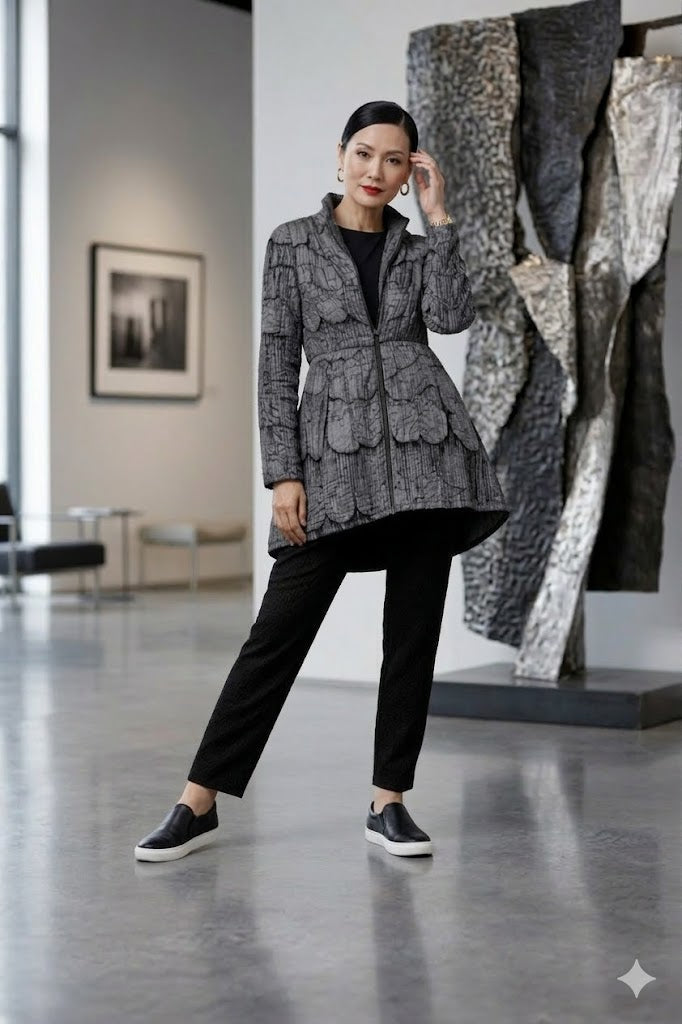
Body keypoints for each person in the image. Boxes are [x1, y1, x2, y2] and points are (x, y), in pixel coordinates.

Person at [134, 100, 510, 863]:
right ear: (341, 155)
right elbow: (276, 364)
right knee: (276, 635)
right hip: (332, 458)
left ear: (409, 174)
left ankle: (388, 801)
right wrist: (283, 473)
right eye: (365, 153)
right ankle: (197, 801)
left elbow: (451, 316)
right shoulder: (292, 244)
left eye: (395, 160)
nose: (376, 170)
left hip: (428, 459)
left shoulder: (418, 247)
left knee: (412, 636)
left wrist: (440, 219)